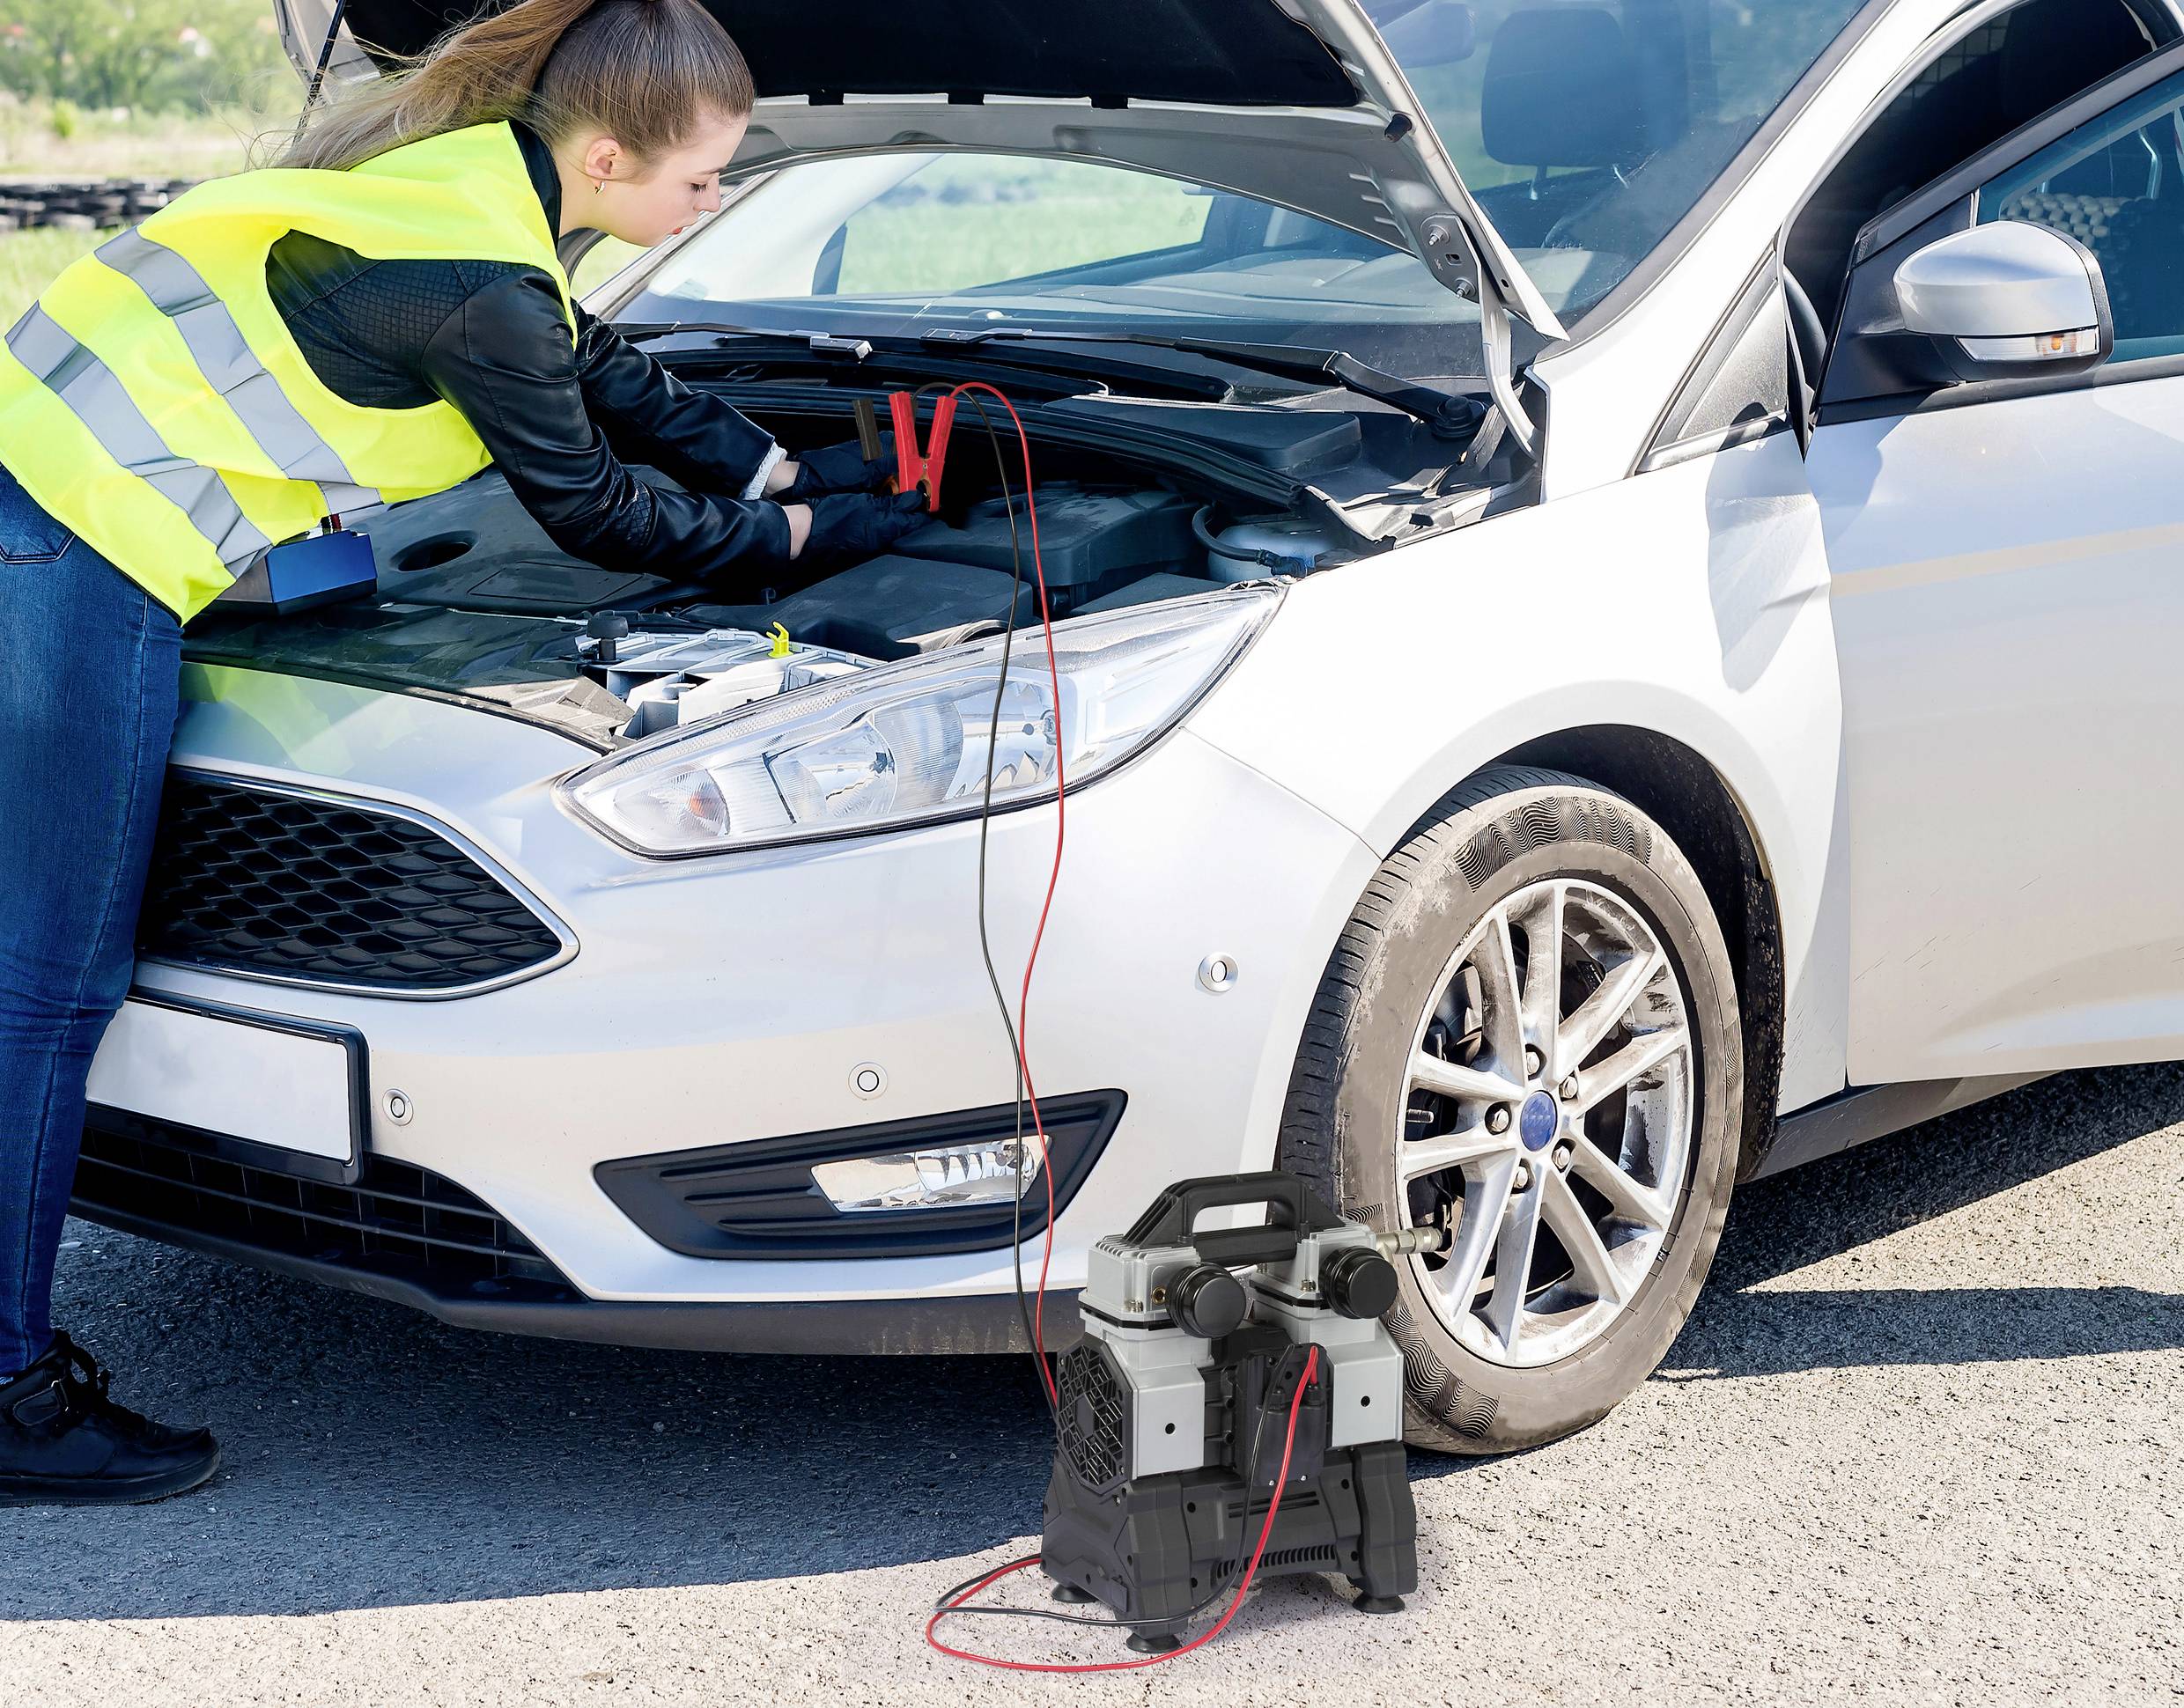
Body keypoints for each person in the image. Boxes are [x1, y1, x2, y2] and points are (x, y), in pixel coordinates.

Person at [0, 0, 920, 1506]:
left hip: (35, 492)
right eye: (702, 185)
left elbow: (617, 381)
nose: (714, 206)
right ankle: (9, 1398)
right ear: (612, 157)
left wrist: (792, 464)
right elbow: (599, 512)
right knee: (46, 987)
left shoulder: (484, 182)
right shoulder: (481, 282)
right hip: (64, 542)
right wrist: (806, 539)